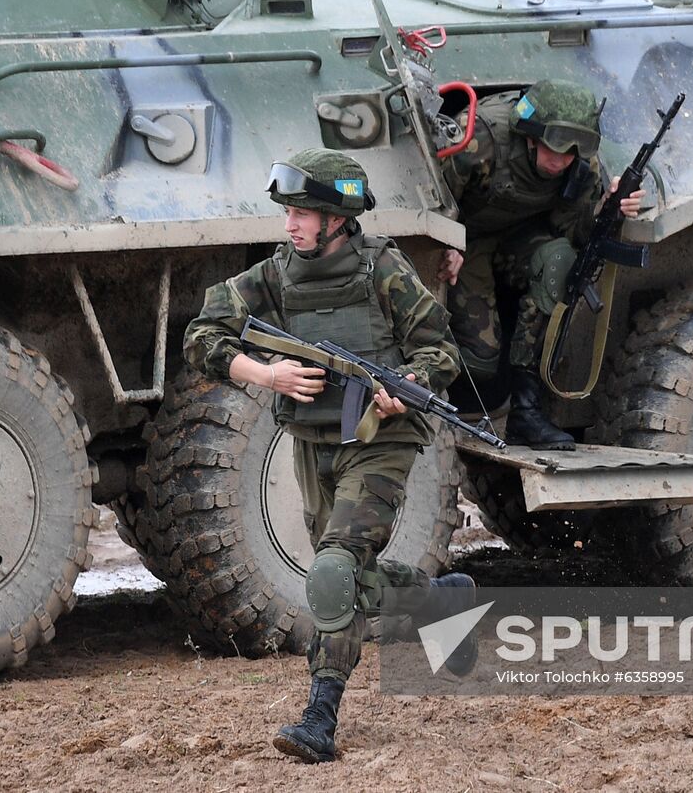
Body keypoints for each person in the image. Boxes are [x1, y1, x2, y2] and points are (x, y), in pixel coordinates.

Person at [183, 148, 476, 763]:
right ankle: (439, 600)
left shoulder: (382, 268)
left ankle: (320, 717)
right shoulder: (275, 274)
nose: (290, 224)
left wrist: (406, 386)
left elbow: (441, 351)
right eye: (287, 212)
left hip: (381, 440)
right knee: (339, 578)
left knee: (333, 570)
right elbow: (201, 334)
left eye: (302, 213)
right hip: (314, 444)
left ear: (336, 218)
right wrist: (266, 375)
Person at [440, 79, 645, 450]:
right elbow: (433, 198)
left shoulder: (580, 163)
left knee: (559, 262)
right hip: (466, 240)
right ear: (530, 135)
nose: (562, 160)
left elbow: (576, 232)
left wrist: (607, 210)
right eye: (556, 146)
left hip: (520, 240)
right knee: (480, 364)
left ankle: (526, 411)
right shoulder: (480, 139)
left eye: (573, 151)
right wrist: (445, 241)